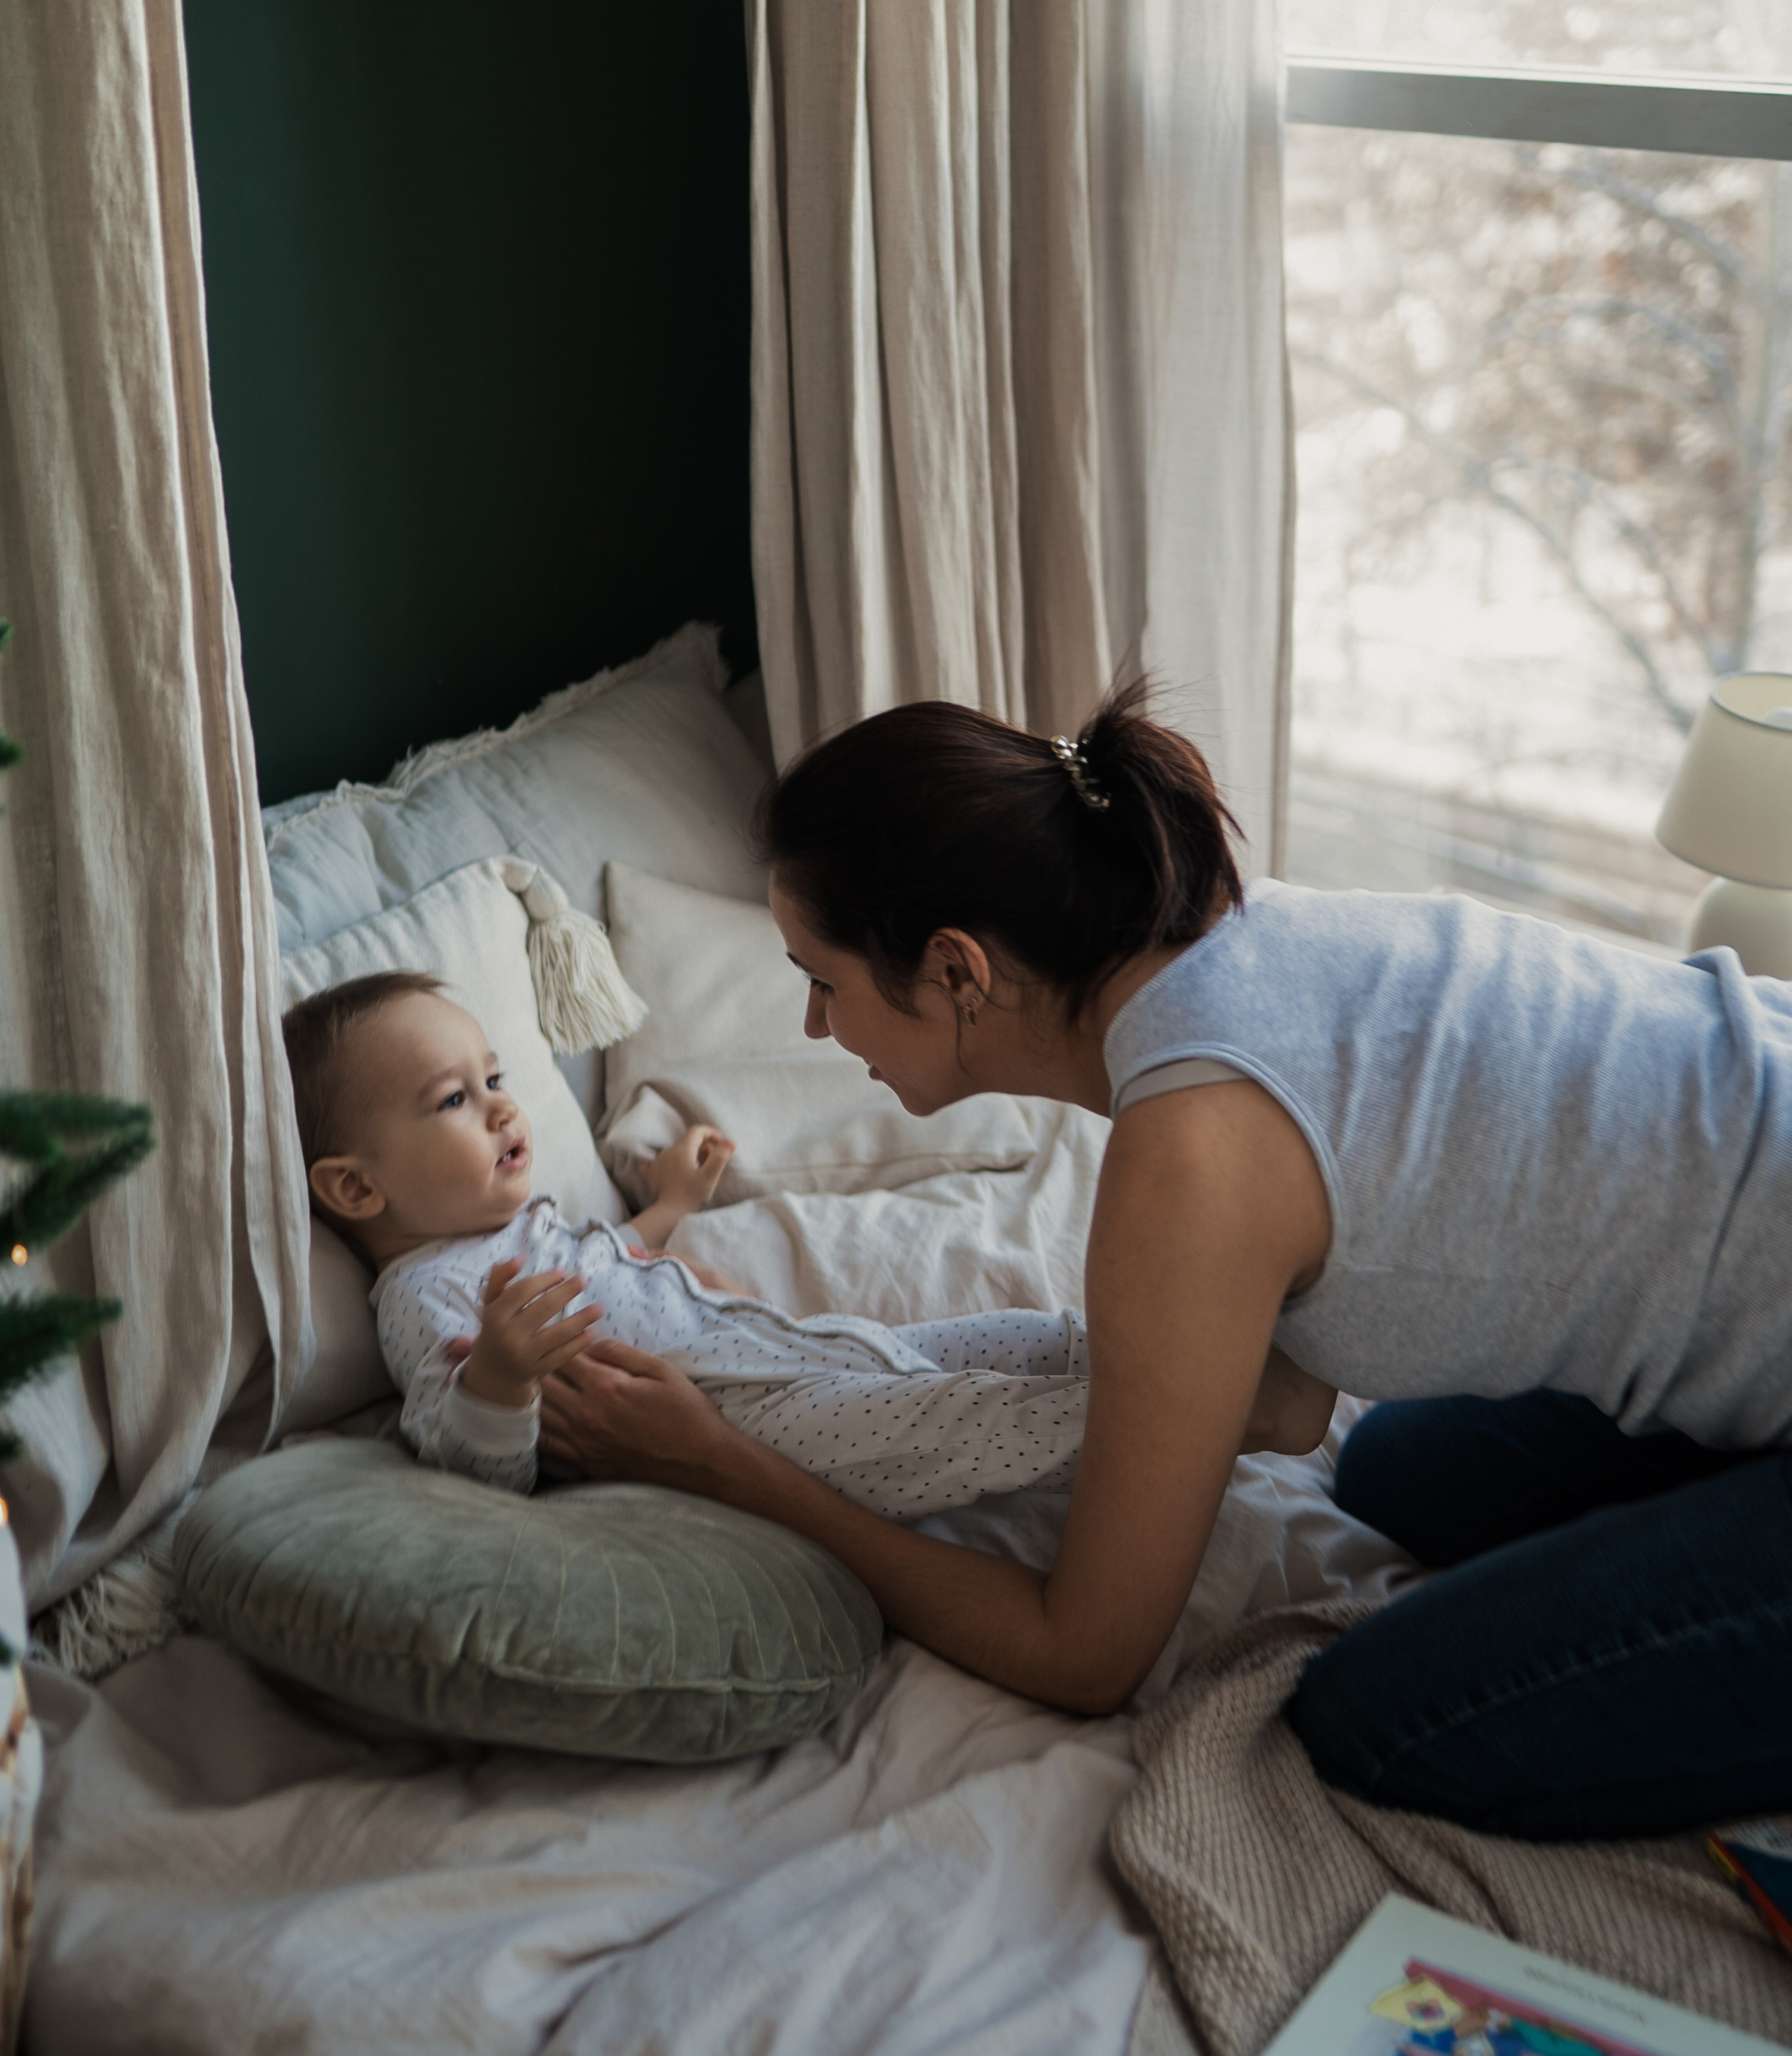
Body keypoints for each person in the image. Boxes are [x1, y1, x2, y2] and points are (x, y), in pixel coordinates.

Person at [533, 681, 1792, 1844]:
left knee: (1379, 1724)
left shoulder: (1193, 1149)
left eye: (821, 980)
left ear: (957, 968)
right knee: (1396, 1469)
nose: (814, 1024)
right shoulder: (1236, 933)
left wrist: (724, 1463)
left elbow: (1086, 1657)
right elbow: (1283, 1406)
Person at [282, 971, 1158, 1515]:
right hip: (736, 1420)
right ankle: (1179, 1435)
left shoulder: (519, 1229)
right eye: (454, 1099)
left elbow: (605, 1266)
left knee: (1007, 1341)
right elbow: (465, 1466)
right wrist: (500, 1378)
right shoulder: (423, 1291)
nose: (503, 1106)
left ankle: (1170, 1371)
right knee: (964, 1422)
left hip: (786, 1349)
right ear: (356, 1187)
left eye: (494, 1078)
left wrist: (668, 1205)